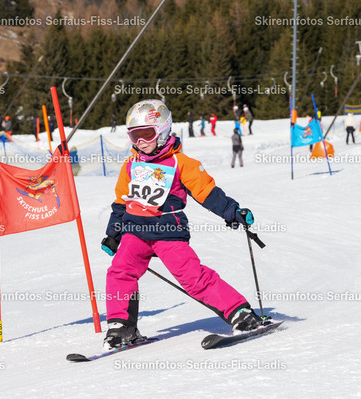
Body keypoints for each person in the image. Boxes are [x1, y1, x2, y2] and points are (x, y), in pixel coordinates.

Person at [100, 99, 267, 350]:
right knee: (119, 272)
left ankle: (241, 314)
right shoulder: (131, 165)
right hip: (135, 233)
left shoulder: (181, 163)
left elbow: (207, 193)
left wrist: (233, 212)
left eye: (147, 134)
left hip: (168, 233)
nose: (140, 141)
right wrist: (113, 234)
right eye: (134, 136)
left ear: (163, 130)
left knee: (193, 277)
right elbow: (121, 202)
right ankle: (121, 328)